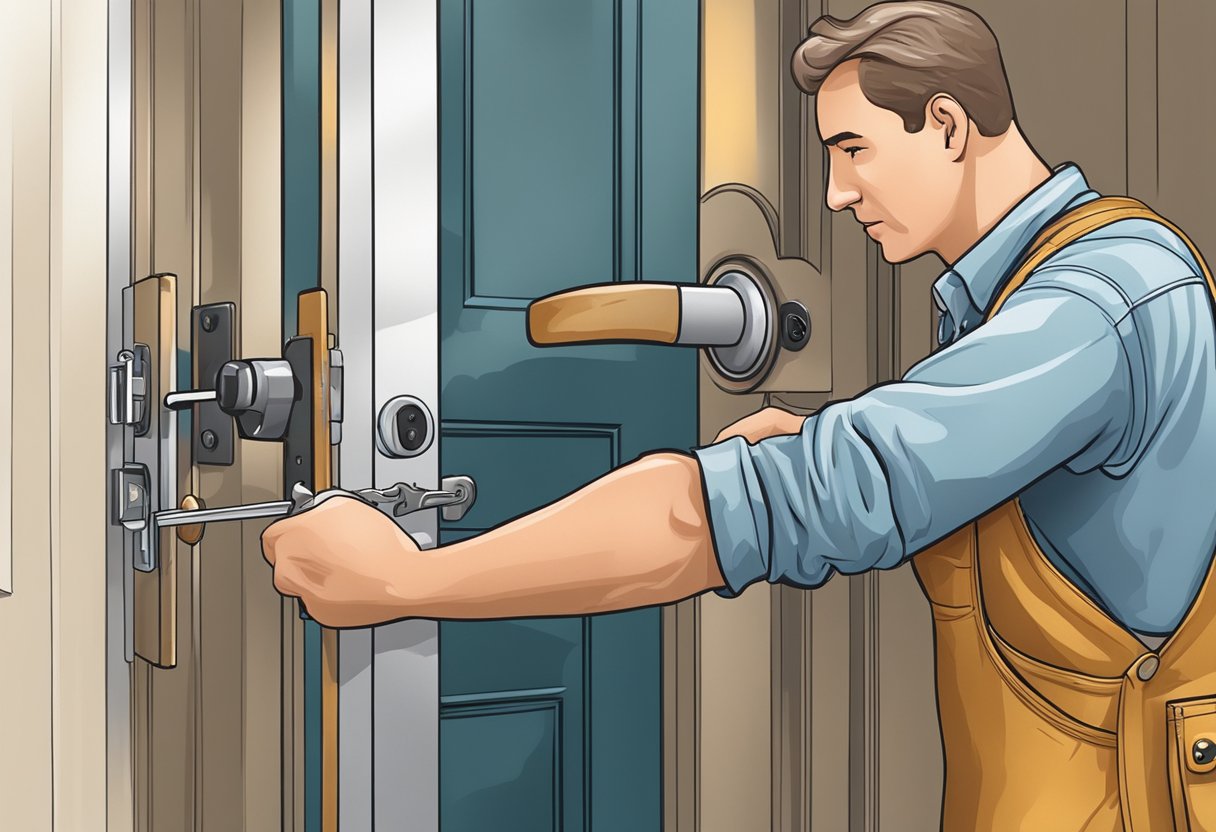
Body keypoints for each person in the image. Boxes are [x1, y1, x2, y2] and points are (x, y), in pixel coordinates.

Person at [262, 2, 1216, 828]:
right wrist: (823, 446)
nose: (839, 194)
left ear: (948, 124)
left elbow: (767, 508)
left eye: (854, 151)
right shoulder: (1016, 302)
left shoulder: (1100, 303)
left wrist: (407, 581)